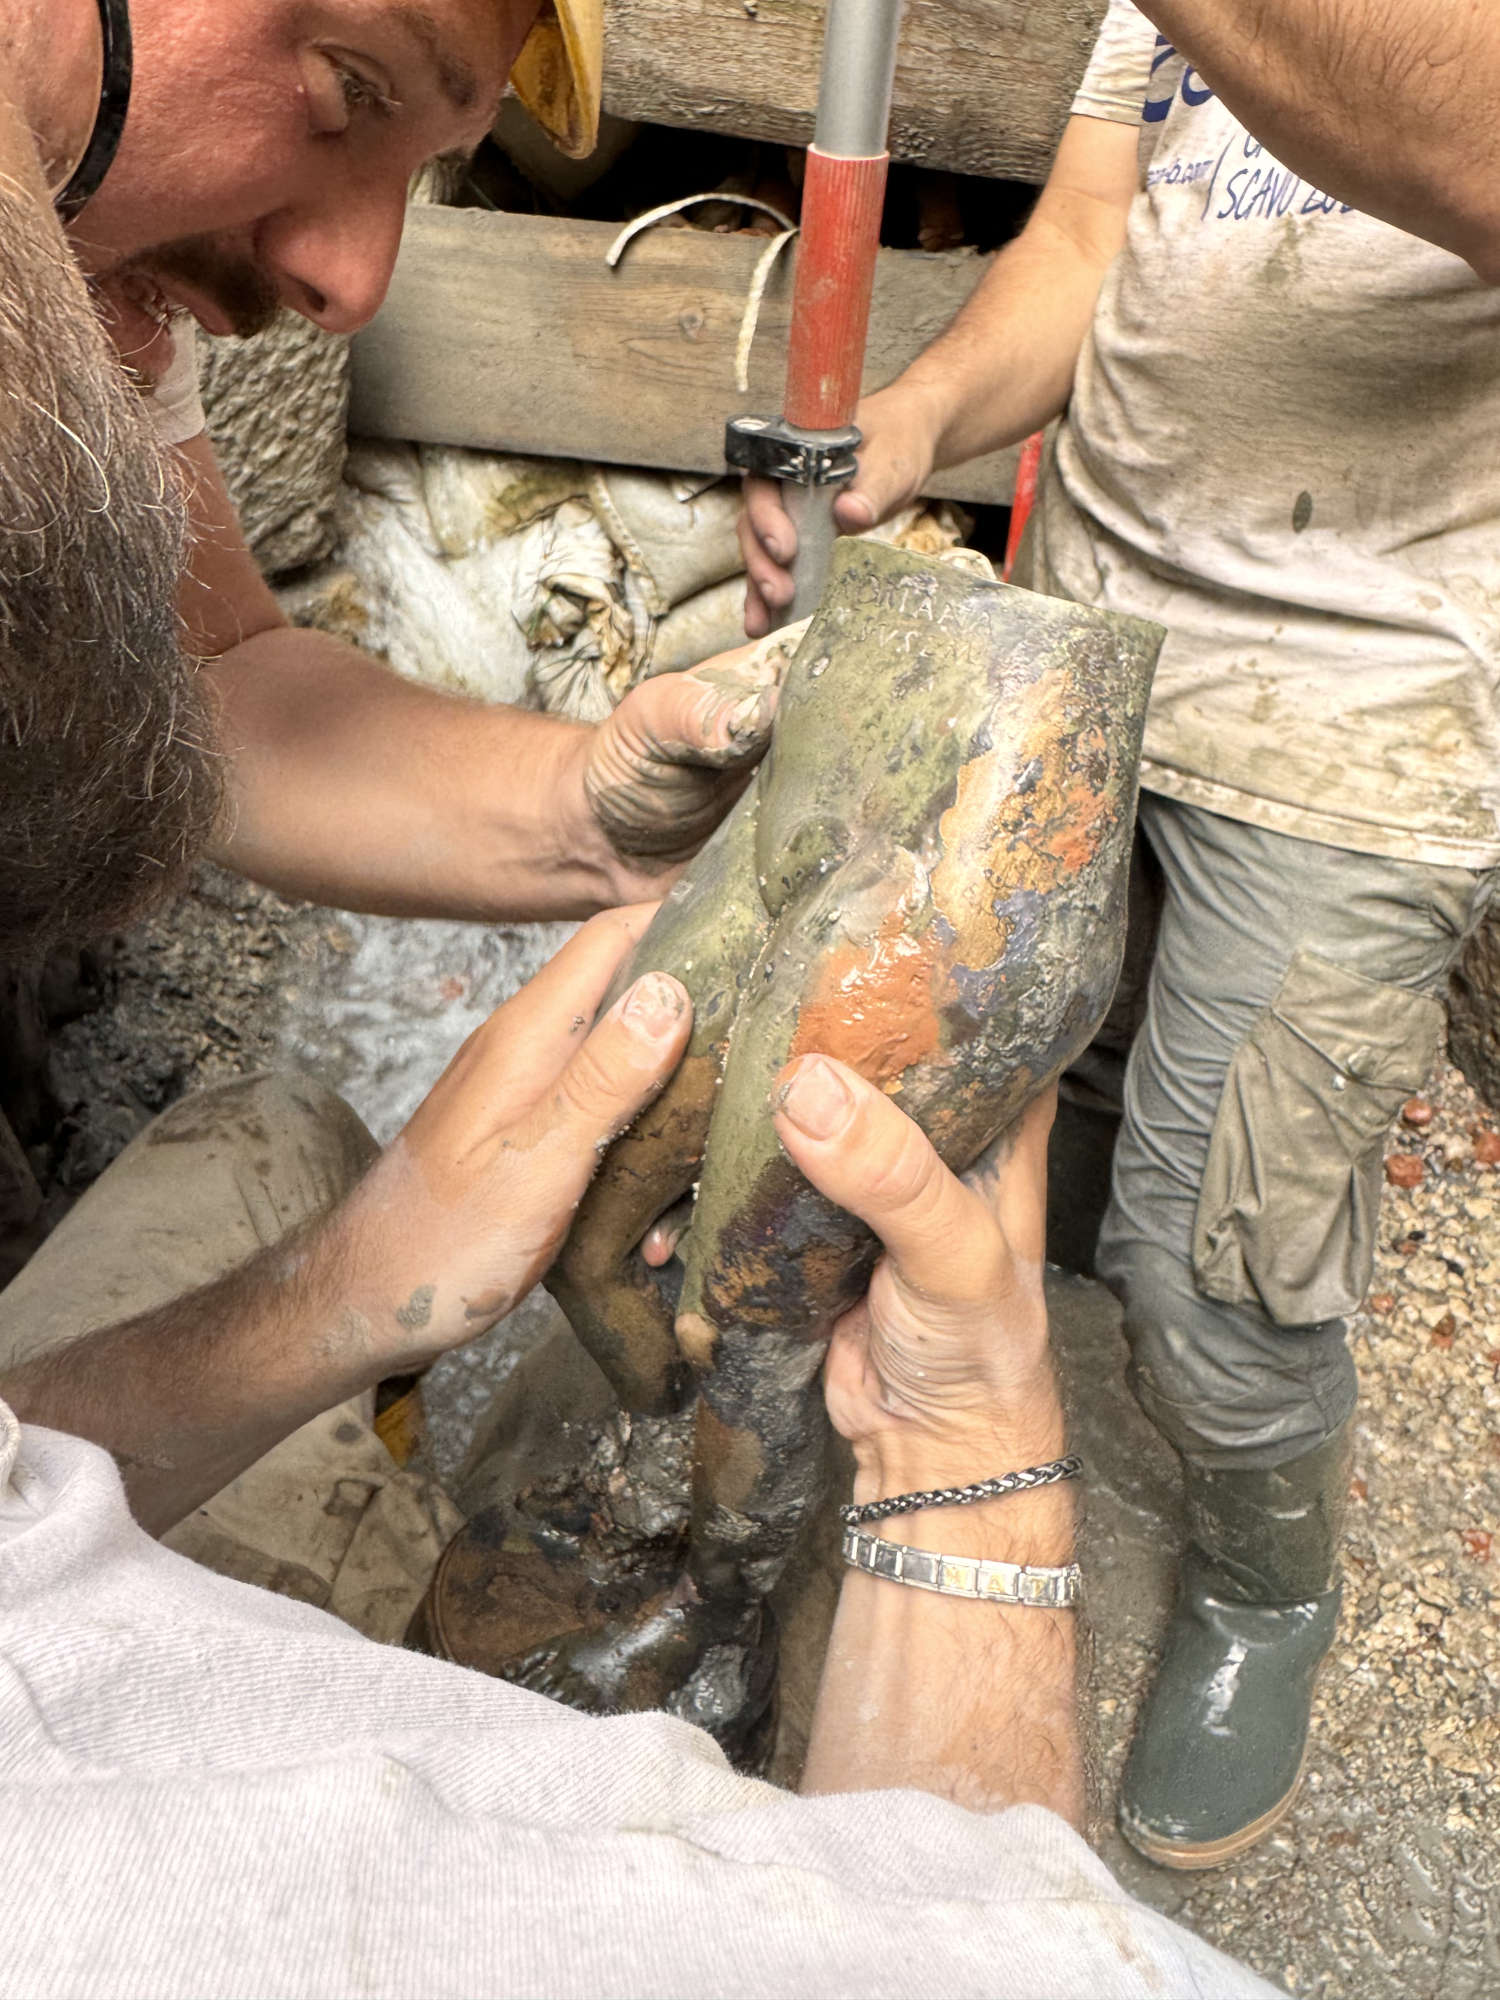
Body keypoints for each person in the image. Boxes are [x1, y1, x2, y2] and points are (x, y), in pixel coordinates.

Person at [739, 0, 1500, 1871]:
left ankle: (1265, 1583)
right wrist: (917, 417)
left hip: (1361, 717)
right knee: (1006, 1082)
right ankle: (1003, 1396)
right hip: (1086, 633)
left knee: (1214, 1267)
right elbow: (1087, 237)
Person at [0, 0, 785, 1604]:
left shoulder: (63, 244)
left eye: (420, 171)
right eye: (340, 89)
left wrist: (591, 811)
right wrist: (334, 1303)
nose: (352, 282)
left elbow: (211, 678)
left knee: (277, 1131)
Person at [0, 1052, 1280, 2000]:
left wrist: (357, 1292)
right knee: (678, 1442)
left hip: (73, 1605)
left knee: (265, 1131)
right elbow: (1003, 1943)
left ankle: (387, 1420)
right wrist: (968, 1447)